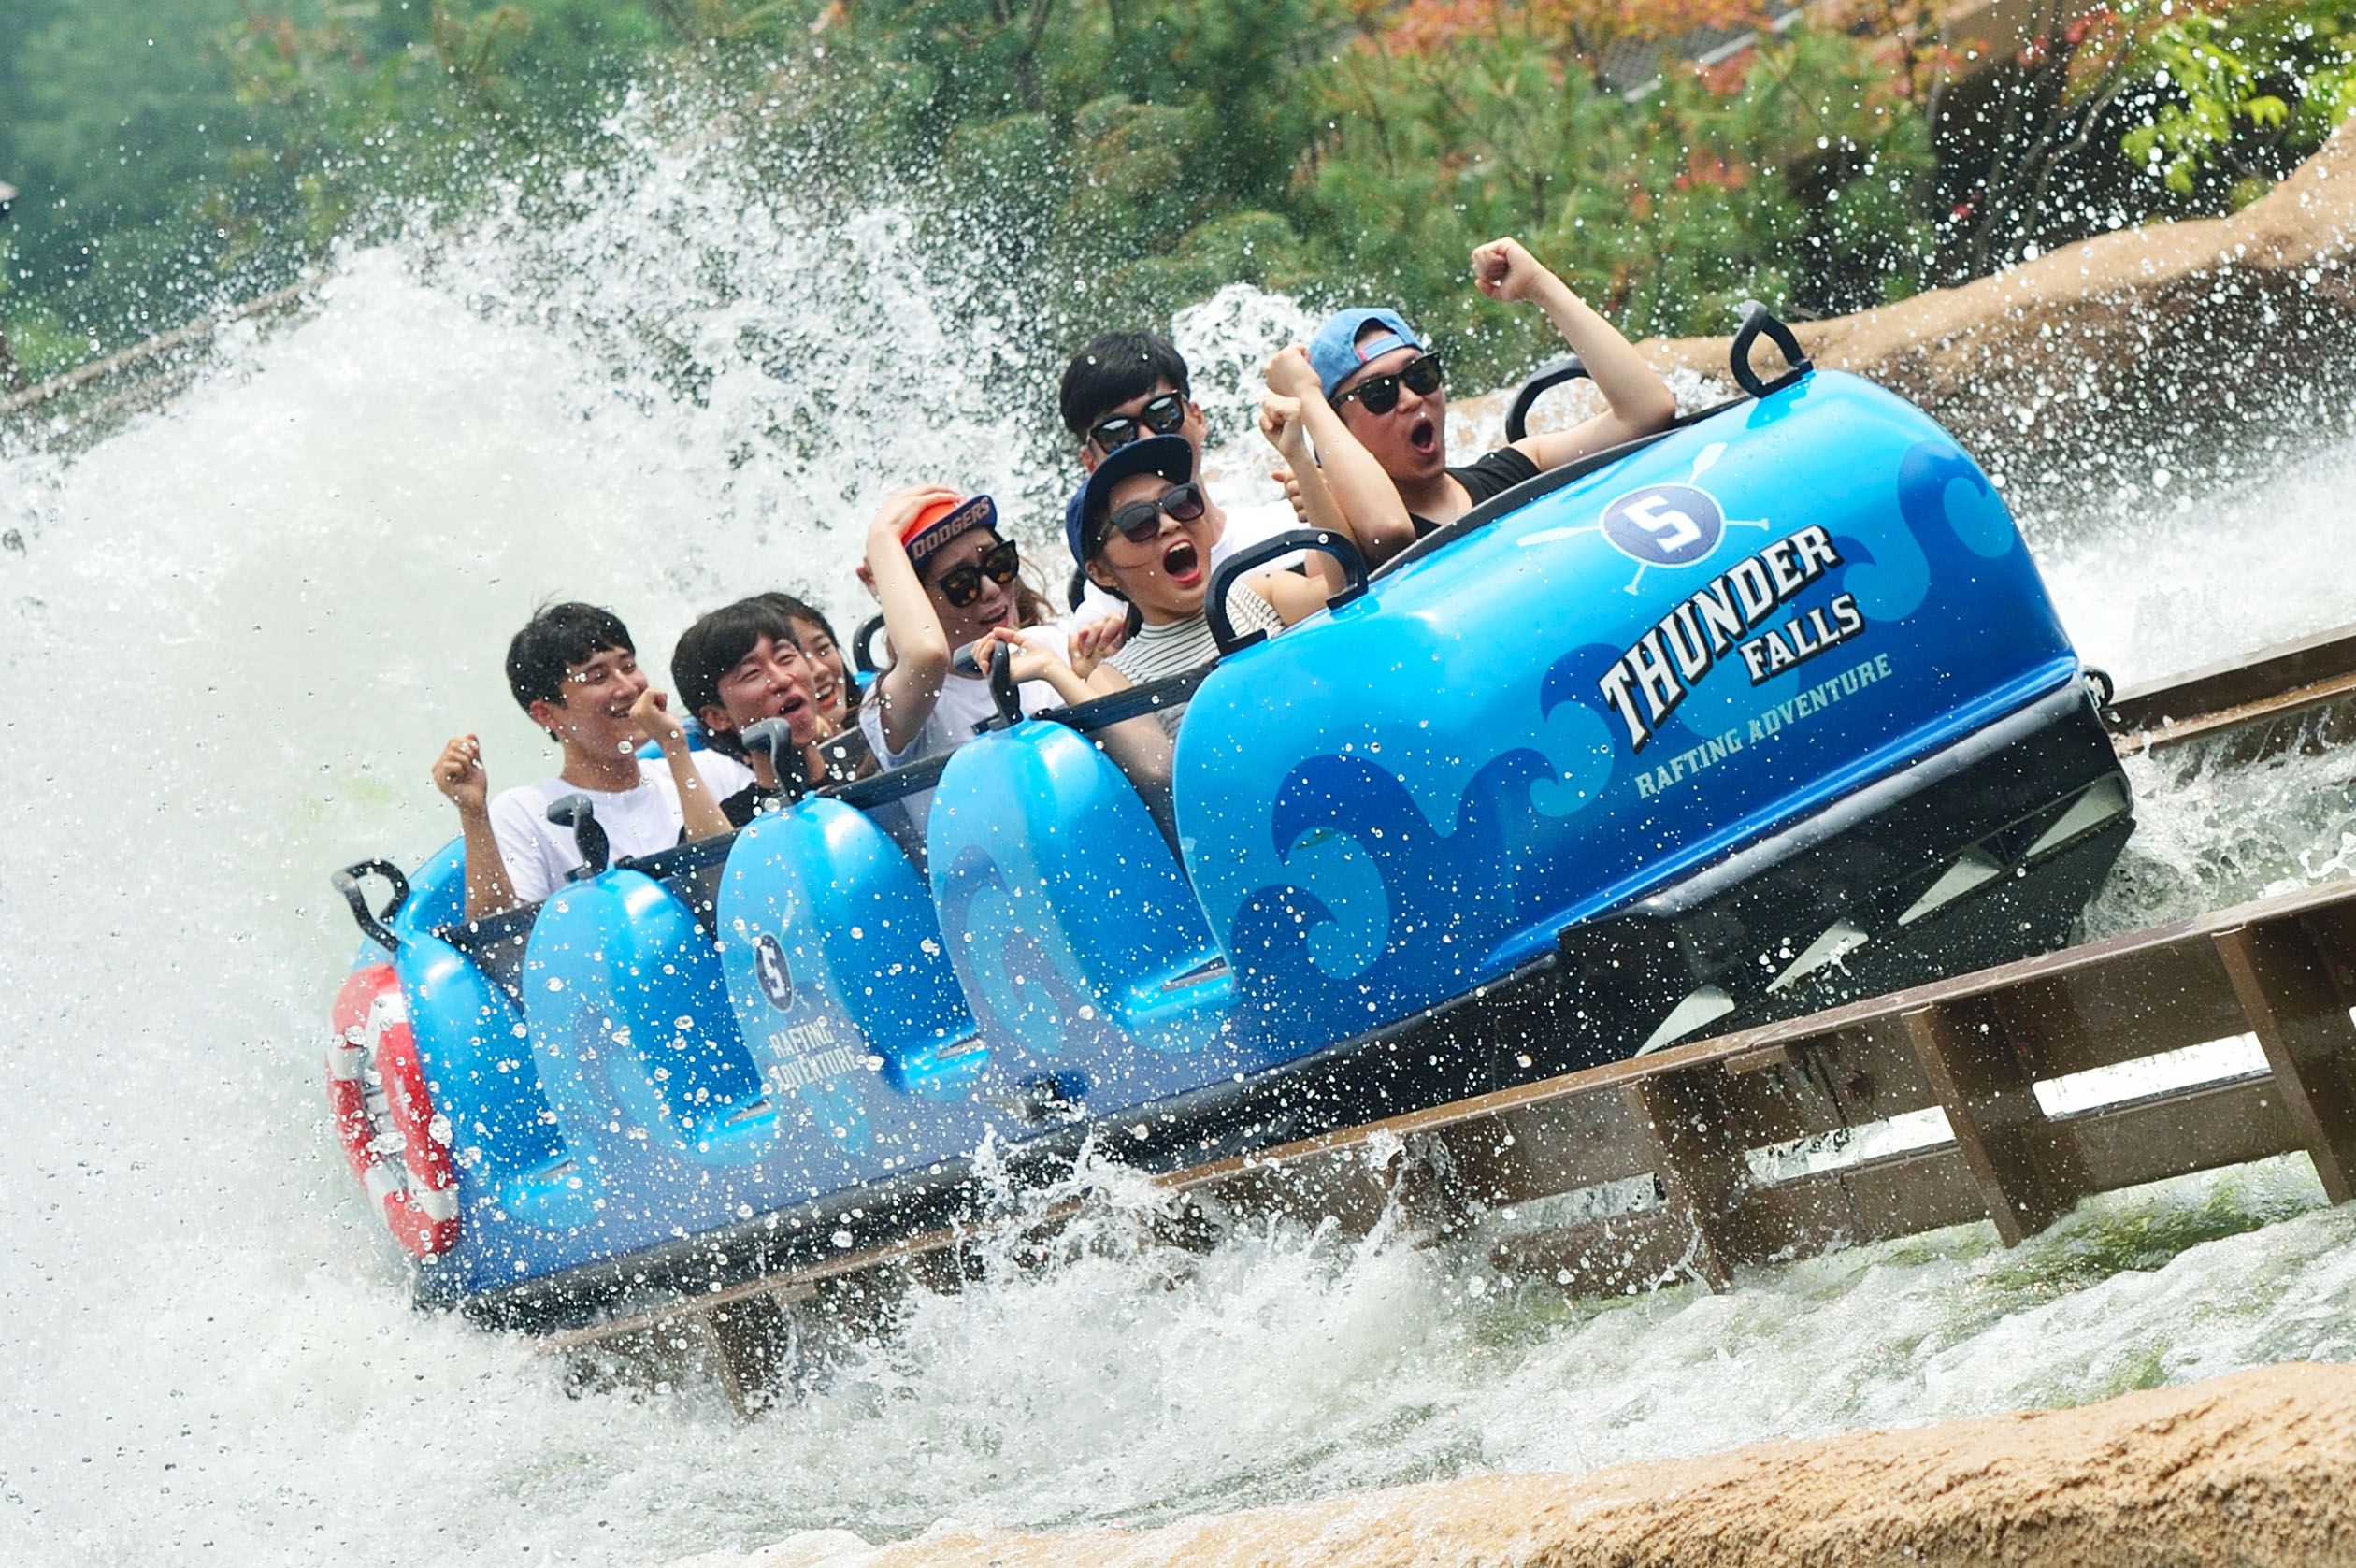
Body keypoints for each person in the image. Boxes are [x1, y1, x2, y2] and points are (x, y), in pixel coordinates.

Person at [1294, 237, 1678, 550]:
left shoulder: (1514, 472)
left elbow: (1646, 411)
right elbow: (1388, 534)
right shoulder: (1350, 548)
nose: (1411, 398)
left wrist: (1538, 286)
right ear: (1338, 428)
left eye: (1421, 373)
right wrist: (1306, 400)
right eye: (1379, 392)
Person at [429, 601, 744, 921]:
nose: (628, 687)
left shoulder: (713, 770)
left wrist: (675, 749)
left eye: (629, 665)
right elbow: (502, 945)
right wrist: (472, 813)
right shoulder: (524, 812)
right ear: (545, 713)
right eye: (597, 677)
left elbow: (739, 890)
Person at [1072, 430, 1357, 710]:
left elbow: (1344, 588)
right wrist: (1052, 670)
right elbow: (1150, 758)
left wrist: (1301, 460)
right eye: (1137, 522)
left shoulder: (1259, 596)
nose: (1170, 524)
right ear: (1100, 572)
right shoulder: (1115, 678)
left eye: (1180, 502)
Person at [1057, 330, 1321, 620]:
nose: (1145, 438)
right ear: (1090, 463)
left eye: (1162, 414)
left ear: (1197, 417)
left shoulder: (1289, 530)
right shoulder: (1104, 616)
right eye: (1116, 434)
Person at [671, 597, 834, 823]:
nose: (782, 679)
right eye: (752, 674)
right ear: (718, 717)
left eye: (786, 657)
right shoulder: (735, 827)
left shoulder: (869, 764)